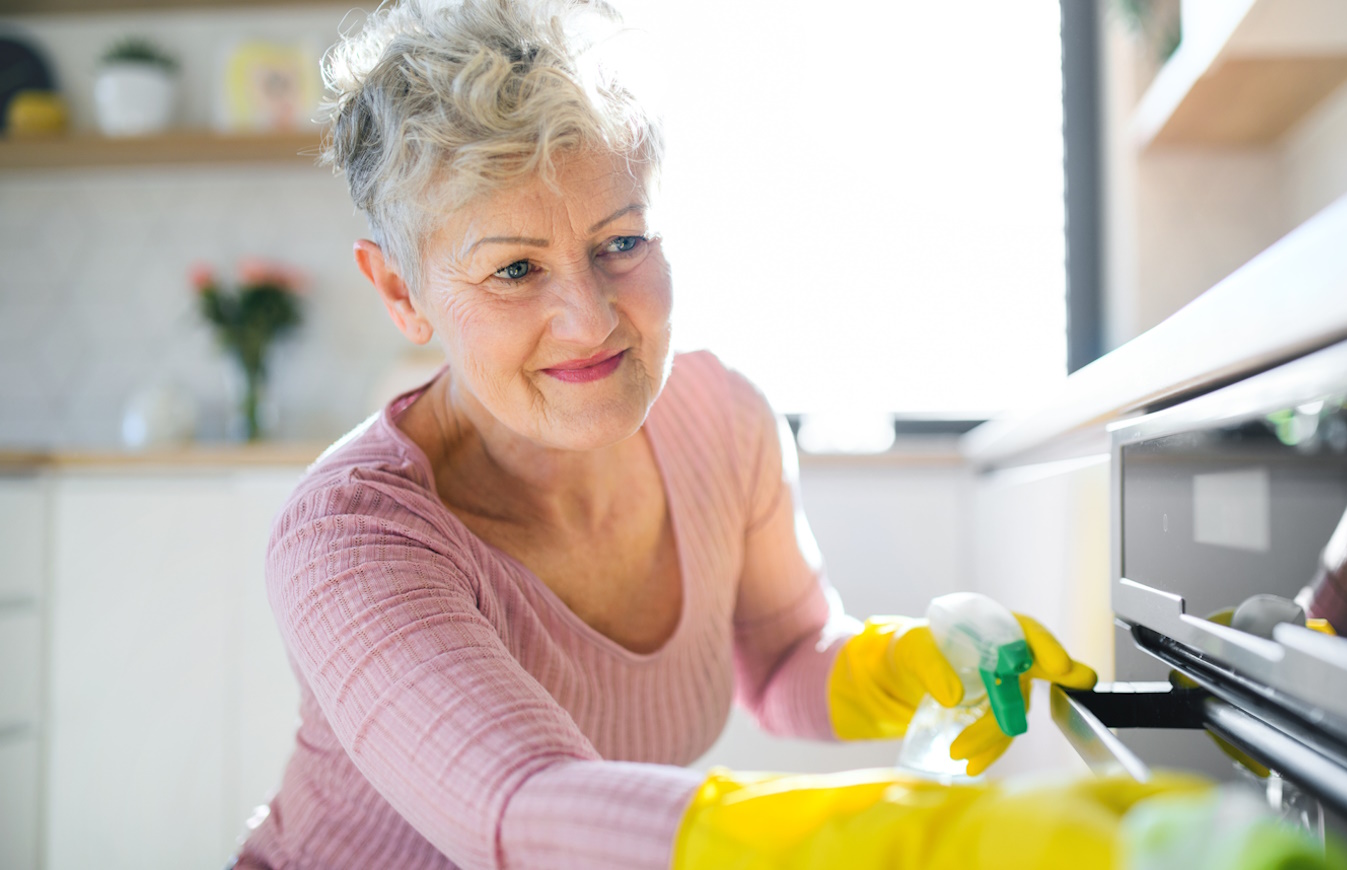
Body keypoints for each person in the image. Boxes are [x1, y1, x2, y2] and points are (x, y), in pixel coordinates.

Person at [233, 1, 1192, 867]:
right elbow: (525, 811)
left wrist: (910, 664)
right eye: (516, 271)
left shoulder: (719, 419)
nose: (592, 319)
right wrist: (924, 838)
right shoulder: (349, 537)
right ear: (401, 291)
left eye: (620, 243)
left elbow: (783, 660)